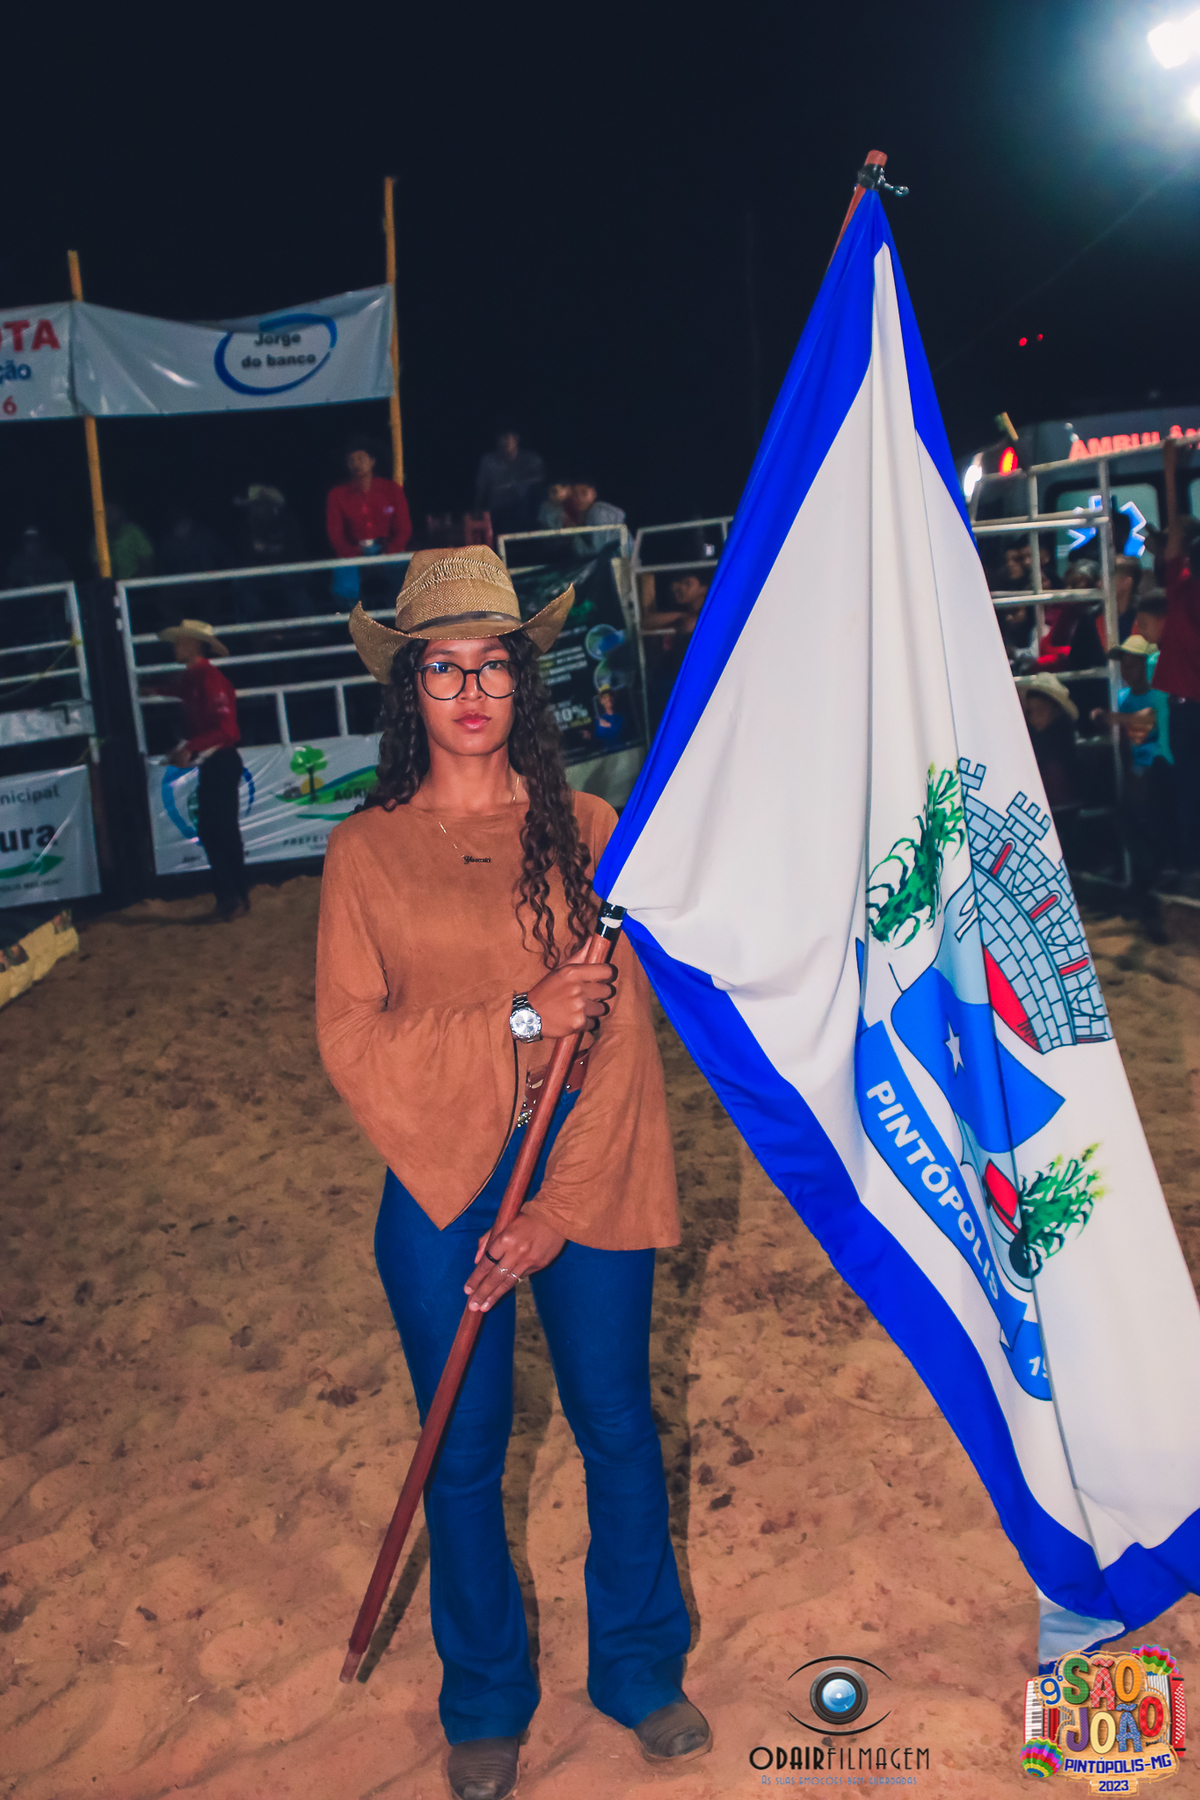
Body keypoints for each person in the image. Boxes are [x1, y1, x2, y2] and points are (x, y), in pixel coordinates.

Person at [315, 546, 707, 1800]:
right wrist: (518, 1021)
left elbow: (622, 1040)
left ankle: (640, 1667)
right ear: (409, 689)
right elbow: (351, 1038)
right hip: (438, 1181)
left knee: (616, 1424)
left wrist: (554, 1209)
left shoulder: (585, 833)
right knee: (464, 1449)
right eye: (443, 669)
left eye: (493, 666)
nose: (471, 691)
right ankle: (484, 1695)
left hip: (584, 1170)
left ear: (522, 683)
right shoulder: (365, 851)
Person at [143, 619, 249, 920]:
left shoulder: (207, 679)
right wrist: (156, 690)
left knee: (216, 830)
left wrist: (190, 746)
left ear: (191, 644)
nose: (176, 647)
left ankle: (232, 896)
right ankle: (235, 896)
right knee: (220, 830)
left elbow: (227, 729)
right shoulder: (198, 678)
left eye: (180, 642)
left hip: (219, 760)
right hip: (218, 760)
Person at [1091, 635, 1174, 940]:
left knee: (1136, 825)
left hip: (1161, 770)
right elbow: (1135, 736)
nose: (1126, 669)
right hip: (1142, 771)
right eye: (1124, 664)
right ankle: (1146, 888)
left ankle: (1144, 888)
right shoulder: (1126, 697)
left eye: (1133, 663)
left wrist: (1109, 718)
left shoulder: (1157, 695)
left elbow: (1148, 722)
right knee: (1129, 824)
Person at [1152, 436, 1200, 896]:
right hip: (1187, 706)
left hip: (1187, 708)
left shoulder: (1182, 588)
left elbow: (1174, 541)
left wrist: (1170, 470)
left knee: (1190, 788)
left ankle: (1191, 869)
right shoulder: (1184, 586)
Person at [325, 435, 412, 593]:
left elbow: (404, 528)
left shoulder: (391, 490)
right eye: (351, 460)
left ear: (372, 461)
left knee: (408, 580)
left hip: (388, 550)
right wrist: (354, 554)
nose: (356, 464)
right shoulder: (337, 495)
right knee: (345, 586)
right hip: (354, 553)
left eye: (360, 458)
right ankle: (350, 607)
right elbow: (335, 536)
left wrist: (390, 551)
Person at [1017, 672, 1081, 864]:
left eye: (1039, 710)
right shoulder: (1034, 737)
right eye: (1031, 711)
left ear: (1055, 710)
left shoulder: (1058, 738)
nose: (1034, 716)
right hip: (1049, 805)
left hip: (1060, 803)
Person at [230, 484, 309, 620]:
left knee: (293, 585)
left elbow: (295, 551)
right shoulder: (247, 526)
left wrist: (267, 550)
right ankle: (260, 623)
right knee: (240, 583)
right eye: (252, 506)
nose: (254, 509)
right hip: (261, 573)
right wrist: (263, 555)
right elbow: (246, 554)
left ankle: (310, 624)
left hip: (289, 570)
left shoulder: (288, 521)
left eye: (258, 505)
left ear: (269, 504)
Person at [473, 429, 546, 536]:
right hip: (499, 514)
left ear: (516, 438)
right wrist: (477, 510)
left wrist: (515, 487)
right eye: (501, 438)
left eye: (507, 437)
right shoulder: (489, 461)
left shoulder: (531, 459)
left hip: (528, 512)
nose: (504, 442)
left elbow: (540, 481)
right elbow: (481, 490)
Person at [93, 503, 154, 581]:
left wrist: (135, 581)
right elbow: (98, 569)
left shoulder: (134, 532)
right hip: (111, 585)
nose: (109, 515)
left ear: (121, 512)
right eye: (105, 513)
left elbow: (147, 561)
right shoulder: (99, 538)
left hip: (137, 583)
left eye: (112, 511)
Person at [565, 478, 627, 555]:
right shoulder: (584, 513)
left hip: (617, 560)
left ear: (594, 494)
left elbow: (594, 552)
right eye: (575, 494)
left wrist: (573, 532)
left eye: (584, 493)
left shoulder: (598, 512)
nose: (579, 498)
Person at [5, 526, 70, 590]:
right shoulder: (18, 562)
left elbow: (68, 584)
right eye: (28, 541)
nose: (32, 545)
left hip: (52, 596)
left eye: (35, 540)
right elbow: (10, 587)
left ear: (44, 541)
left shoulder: (56, 561)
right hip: (27, 596)